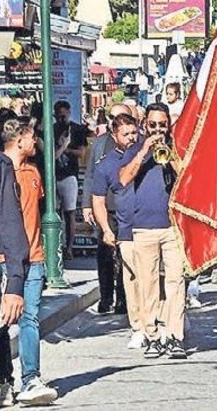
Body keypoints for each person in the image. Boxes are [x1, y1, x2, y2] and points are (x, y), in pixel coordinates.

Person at [118, 103, 187, 359]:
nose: (158, 130)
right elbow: (124, 179)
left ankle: (175, 335)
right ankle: (152, 334)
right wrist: (144, 152)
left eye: (162, 125)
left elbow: (187, 180)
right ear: (145, 124)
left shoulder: (176, 149)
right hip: (143, 227)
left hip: (172, 227)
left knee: (175, 282)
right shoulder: (136, 148)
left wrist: (171, 160)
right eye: (153, 125)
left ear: (168, 125)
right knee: (147, 284)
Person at [0, 119, 57, 406]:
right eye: (32, 137)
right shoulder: (2, 172)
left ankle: (30, 377)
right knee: (0, 325)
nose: (36, 142)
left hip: (33, 258)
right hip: (5, 260)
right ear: (19, 140)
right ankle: (4, 379)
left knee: (30, 318)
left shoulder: (33, 171)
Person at [91, 114, 144, 350]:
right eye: (126, 134)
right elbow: (98, 199)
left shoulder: (149, 152)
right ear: (115, 136)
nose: (132, 138)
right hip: (124, 226)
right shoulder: (106, 164)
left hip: (151, 224)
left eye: (134, 132)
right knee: (131, 279)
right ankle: (138, 326)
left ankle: (157, 322)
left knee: (154, 279)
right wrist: (105, 229)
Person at [81, 103, 131, 315]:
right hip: (105, 207)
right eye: (113, 117)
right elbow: (91, 174)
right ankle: (106, 296)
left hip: (128, 207)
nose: (116, 120)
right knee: (105, 254)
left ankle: (123, 298)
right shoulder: (100, 143)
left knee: (125, 255)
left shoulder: (135, 143)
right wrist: (86, 204)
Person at [53, 100, 88, 260]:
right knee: (55, 213)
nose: (61, 118)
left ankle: (69, 247)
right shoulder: (51, 129)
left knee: (70, 213)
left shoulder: (77, 129)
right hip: (54, 175)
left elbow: (81, 153)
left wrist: (66, 148)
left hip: (69, 174)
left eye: (63, 114)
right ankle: (56, 245)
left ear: (68, 112)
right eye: (58, 115)